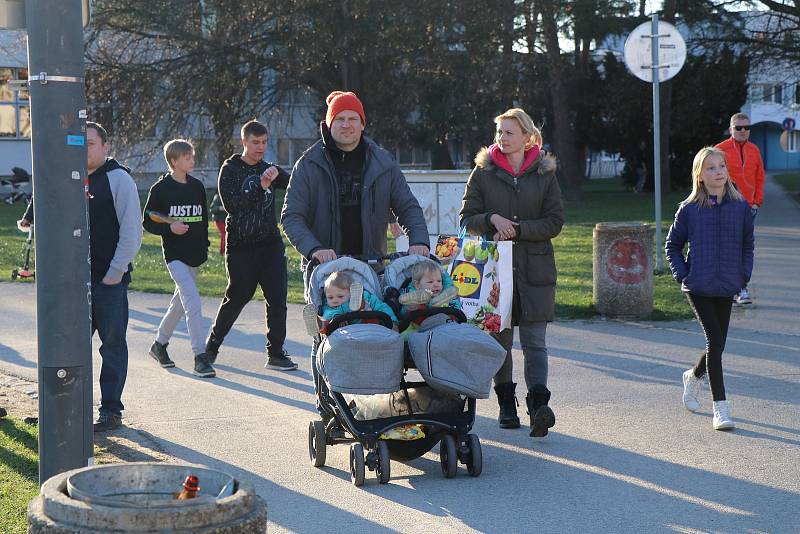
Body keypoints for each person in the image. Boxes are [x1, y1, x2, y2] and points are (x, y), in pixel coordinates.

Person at [460, 108, 563, 437]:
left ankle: (538, 406)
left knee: (535, 342)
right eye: (499, 133)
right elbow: (467, 217)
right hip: (495, 270)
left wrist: (518, 229)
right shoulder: (483, 171)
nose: (501, 139)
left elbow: (554, 221)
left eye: (508, 133)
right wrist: (492, 220)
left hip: (536, 268)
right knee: (500, 340)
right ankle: (506, 405)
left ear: (527, 137)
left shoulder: (545, 173)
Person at [281, 90, 430, 273]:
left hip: (372, 269)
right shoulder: (308, 165)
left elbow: (408, 207)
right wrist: (314, 249)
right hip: (324, 271)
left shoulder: (384, 163)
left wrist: (419, 241)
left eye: (353, 118)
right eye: (339, 119)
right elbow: (292, 217)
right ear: (329, 124)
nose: (346, 125)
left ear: (362, 124)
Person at [665, 147, 754, 431]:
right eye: (711, 168)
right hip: (699, 285)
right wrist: (683, 274)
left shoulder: (741, 207)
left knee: (718, 344)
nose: (718, 172)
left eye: (722, 166)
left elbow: (747, 246)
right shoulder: (689, 209)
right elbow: (672, 245)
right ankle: (721, 409)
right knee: (715, 343)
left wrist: (743, 276)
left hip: (727, 285)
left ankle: (693, 376)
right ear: (700, 176)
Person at [203, 119, 297, 377]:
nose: (260, 147)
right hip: (241, 246)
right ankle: (211, 348)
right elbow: (232, 205)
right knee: (237, 296)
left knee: (277, 298)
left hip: (269, 244)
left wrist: (290, 175)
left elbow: (295, 184)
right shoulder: (230, 169)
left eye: (264, 142)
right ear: (244, 142)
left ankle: (276, 353)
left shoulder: (270, 168)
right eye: (255, 142)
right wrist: (260, 185)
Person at [142, 139, 210, 371]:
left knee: (179, 304)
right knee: (192, 301)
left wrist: (205, 245)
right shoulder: (160, 190)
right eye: (187, 158)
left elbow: (203, 219)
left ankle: (159, 344)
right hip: (175, 255)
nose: (192, 160)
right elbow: (148, 220)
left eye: (192, 156)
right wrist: (169, 228)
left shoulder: (197, 186)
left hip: (194, 253)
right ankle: (200, 356)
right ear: (174, 161)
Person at [715, 112, 764, 306]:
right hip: (726, 207)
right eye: (738, 128)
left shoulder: (754, 150)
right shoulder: (719, 150)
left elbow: (760, 177)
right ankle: (733, 289)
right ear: (731, 129)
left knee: (743, 248)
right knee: (728, 248)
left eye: (746, 127)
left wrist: (756, 201)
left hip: (748, 208)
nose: (743, 131)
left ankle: (739, 288)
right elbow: (709, 176)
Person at [303, 272, 398, 336]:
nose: (335, 300)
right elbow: (327, 314)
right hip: (344, 332)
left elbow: (381, 306)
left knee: (372, 313)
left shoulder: (365, 296)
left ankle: (360, 305)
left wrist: (392, 321)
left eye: (340, 296)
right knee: (328, 320)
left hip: (367, 326)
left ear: (351, 292)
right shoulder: (329, 307)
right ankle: (318, 324)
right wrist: (336, 318)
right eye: (330, 297)